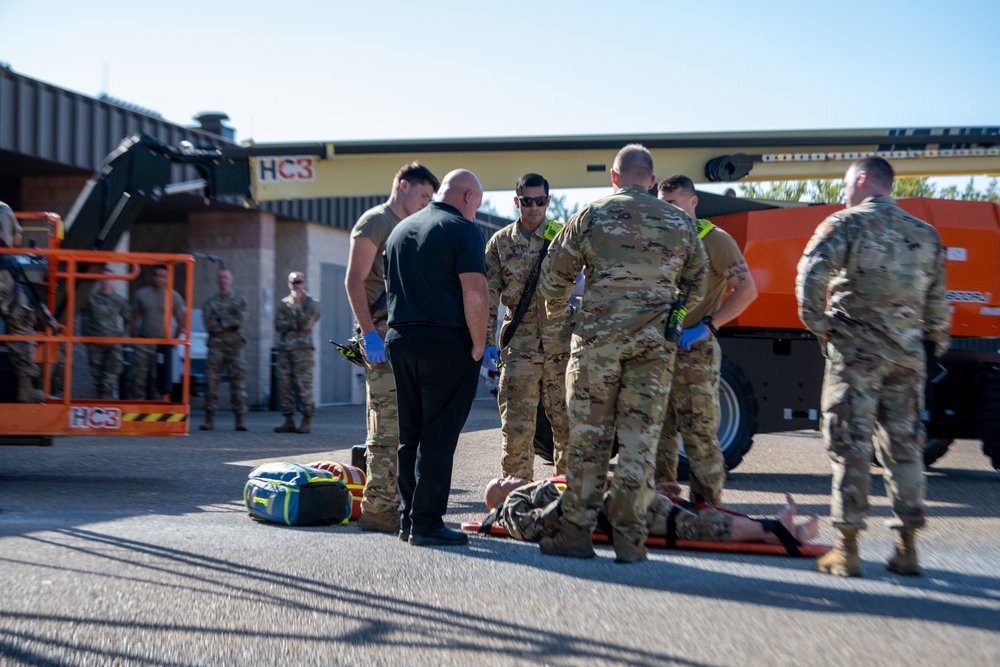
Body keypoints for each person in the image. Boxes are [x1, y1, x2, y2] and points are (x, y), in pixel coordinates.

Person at [537, 144, 707, 563]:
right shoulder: (680, 222)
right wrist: (674, 315)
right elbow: (698, 279)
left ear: (615, 177)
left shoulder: (591, 215)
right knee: (639, 444)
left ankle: (576, 532)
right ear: (651, 180)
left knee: (590, 442)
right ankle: (631, 540)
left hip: (598, 347)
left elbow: (554, 278)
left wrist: (564, 318)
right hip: (653, 350)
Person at [796, 157, 950, 577]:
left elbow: (811, 273)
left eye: (847, 184)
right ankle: (907, 548)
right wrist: (932, 345)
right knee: (905, 448)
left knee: (850, 445)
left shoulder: (846, 223)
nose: (845, 193)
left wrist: (820, 326)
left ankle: (846, 549)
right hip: (907, 358)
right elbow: (938, 303)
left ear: (862, 180)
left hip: (857, 355)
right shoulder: (926, 235)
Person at [383, 169, 489, 547]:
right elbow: (475, 291)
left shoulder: (400, 230)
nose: (477, 208)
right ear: (468, 197)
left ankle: (408, 520)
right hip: (445, 343)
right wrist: (479, 344)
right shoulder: (463, 230)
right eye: (478, 200)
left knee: (409, 434)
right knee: (439, 436)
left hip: (401, 338)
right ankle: (427, 523)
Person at [345, 162, 440, 533]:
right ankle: (377, 507)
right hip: (379, 334)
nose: (425, 203)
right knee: (386, 425)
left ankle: (390, 501)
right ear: (403, 186)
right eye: (423, 196)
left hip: (400, 335)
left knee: (402, 425)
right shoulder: (376, 221)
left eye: (431, 198)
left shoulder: (407, 228)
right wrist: (369, 334)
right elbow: (354, 281)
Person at [654, 175, 759, 507]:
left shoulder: (715, 241)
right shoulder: (657, 241)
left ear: (692, 202)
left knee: (699, 433)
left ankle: (709, 508)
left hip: (695, 350)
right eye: (660, 204)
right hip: (659, 349)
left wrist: (708, 327)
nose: (664, 211)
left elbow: (747, 289)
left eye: (671, 204)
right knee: (659, 432)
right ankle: (662, 507)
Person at [485, 173, 573, 480]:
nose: (533, 207)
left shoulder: (563, 238)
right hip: (520, 348)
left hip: (561, 347)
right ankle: (516, 495)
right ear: (516, 201)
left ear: (548, 201)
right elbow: (489, 295)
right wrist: (486, 342)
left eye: (539, 201)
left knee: (567, 426)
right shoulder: (500, 243)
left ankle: (568, 496)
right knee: (517, 430)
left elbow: (586, 287)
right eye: (526, 201)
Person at [484, 476, 819, 547]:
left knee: (697, 514)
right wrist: (573, 501)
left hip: (625, 495)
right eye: (501, 480)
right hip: (613, 512)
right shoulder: (513, 504)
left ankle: (782, 530)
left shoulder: (539, 483)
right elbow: (529, 528)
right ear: (497, 497)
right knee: (696, 524)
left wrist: (654, 487)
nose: (508, 476)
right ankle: (778, 529)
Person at [0, 202, 44, 403]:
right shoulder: (3, 208)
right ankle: (26, 389)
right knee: (21, 323)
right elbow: (16, 239)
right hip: (3, 274)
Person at [200, 268, 249, 431]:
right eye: (220, 277)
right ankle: (209, 419)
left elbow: (240, 320)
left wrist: (220, 319)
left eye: (226, 277)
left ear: (231, 280)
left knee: (238, 382)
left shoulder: (239, 300)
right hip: (215, 346)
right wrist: (228, 321)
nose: (223, 280)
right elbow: (209, 324)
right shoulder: (210, 301)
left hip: (235, 346)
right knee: (211, 381)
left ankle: (240, 419)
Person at [128, 264, 186, 400]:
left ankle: (157, 414)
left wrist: (173, 342)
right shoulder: (141, 294)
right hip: (143, 342)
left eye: (162, 276)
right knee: (138, 380)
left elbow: (181, 322)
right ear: (151, 276)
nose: (158, 278)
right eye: (156, 275)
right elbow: (133, 319)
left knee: (159, 382)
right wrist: (133, 339)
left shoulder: (174, 297)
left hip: (163, 346)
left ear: (167, 278)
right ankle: (136, 414)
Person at [274, 271, 321, 434]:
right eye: (293, 282)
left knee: (303, 386)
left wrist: (298, 306)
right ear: (288, 284)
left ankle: (306, 420)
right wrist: (294, 323)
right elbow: (278, 326)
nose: (296, 285)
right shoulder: (283, 304)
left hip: (303, 351)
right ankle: (289, 420)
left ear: (305, 283)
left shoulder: (312, 303)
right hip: (285, 350)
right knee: (284, 386)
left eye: (299, 282)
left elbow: (307, 324)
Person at [82, 267, 131, 399]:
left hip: (114, 343)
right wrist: (85, 338)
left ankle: (107, 401)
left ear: (113, 280)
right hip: (95, 343)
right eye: (103, 277)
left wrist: (124, 337)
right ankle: (102, 405)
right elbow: (85, 318)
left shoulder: (119, 300)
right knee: (97, 376)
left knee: (111, 375)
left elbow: (128, 319)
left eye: (108, 278)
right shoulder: (91, 299)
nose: (106, 281)